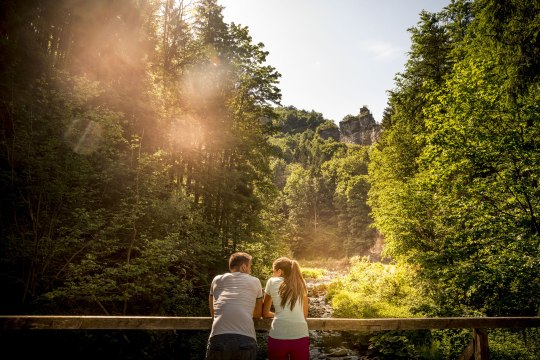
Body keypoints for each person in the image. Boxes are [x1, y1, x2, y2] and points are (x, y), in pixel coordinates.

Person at [206, 252, 264, 360]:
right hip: (245, 339)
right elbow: (257, 314)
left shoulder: (217, 280)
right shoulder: (255, 281)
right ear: (244, 267)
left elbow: (213, 312)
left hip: (218, 337)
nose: (250, 271)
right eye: (250, 267)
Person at [262, 257, 309, 360]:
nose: (272, 274)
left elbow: (265, 313)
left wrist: (279, 315)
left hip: (278, 335)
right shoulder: (301, 283)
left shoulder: (271, 281)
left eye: (273, 271)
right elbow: (304, 315)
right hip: (300, 335)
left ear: (279, 271)